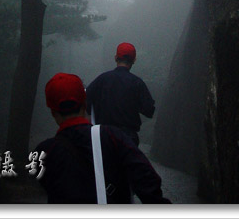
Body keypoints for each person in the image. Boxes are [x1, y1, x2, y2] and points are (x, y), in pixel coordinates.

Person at [33, 72, 170, 204]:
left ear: (53, 112)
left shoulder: (43, 152)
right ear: (84, 104)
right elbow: (146, 178)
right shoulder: (113, 137)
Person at [86, 42, 154, 147]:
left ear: (115, 58)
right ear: (134, 60)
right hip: (128, 139)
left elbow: (86, 102)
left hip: (104, 137)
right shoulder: (137, 83)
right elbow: (149, 110)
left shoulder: (102, 80)